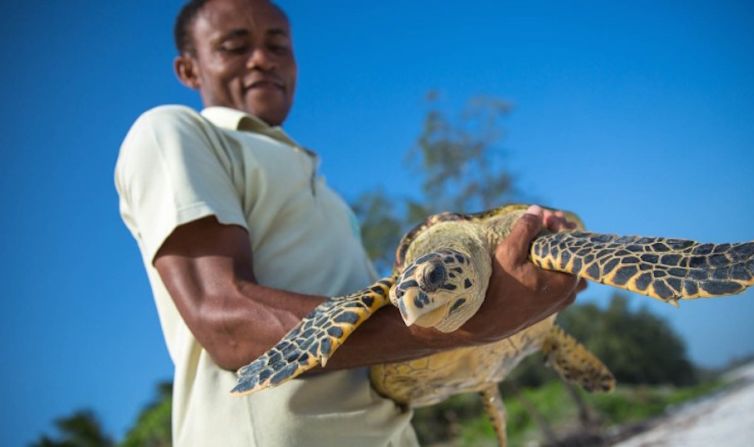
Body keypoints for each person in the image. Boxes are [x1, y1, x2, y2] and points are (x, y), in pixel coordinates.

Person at [114, 0, 583, 445]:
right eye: (235, 47)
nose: (261, 59)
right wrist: (462, 325)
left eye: (277, 45)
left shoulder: (327, 193)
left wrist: (513, 300)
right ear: (188, 69)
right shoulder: (174, 132)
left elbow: (387, 328)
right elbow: (227, 322)